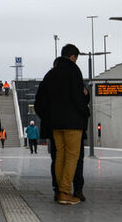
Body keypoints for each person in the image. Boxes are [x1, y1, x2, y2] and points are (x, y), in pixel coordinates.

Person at [34, 44, 90, 205]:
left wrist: (48, 117)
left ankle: (59, 190)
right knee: (73, 157)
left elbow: (40, 102)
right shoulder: (73, 71)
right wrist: (85, 112)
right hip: (72, 123)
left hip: (55, 124)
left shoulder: (50, 74)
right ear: (73, 57)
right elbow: (78, 97)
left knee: (59, 156)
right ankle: (65, 192)